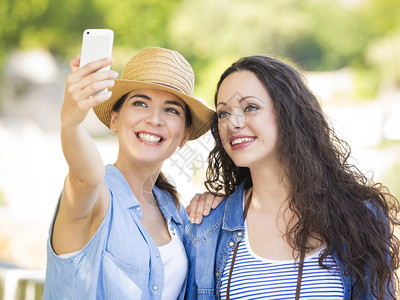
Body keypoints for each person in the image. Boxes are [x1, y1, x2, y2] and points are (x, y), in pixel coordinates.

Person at [184, 55, 400, 299]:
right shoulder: (207, 227)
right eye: (223, 113)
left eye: (250, 108)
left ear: (289, 113)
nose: (232, 123)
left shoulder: (360, 215)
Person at [43, 47, 214, 299]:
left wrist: (216, 203)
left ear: (185, 135)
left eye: (171, 110)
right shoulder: (95, 198)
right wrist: (71, 122)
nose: (154, 119)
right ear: (114, 119)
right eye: (140, 103)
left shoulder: (174, 211)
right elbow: (86, 177)